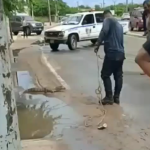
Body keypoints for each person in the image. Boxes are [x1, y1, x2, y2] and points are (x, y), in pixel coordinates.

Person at [94, 10, 125, 105]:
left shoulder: (107, 20)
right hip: (121, 53)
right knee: (118, 76)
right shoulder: (119, 25)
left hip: (112, 53)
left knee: (105, 74)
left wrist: (97, 44)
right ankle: (116, 98)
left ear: (105, 16)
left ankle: (109, 97)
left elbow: (104, 31)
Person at [135, 0, 150, 77]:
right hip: (149, 35)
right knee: (141, 57)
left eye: (146, 7)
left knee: (140, 58)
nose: (145, 9)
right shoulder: (146, 14)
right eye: (144, 7)